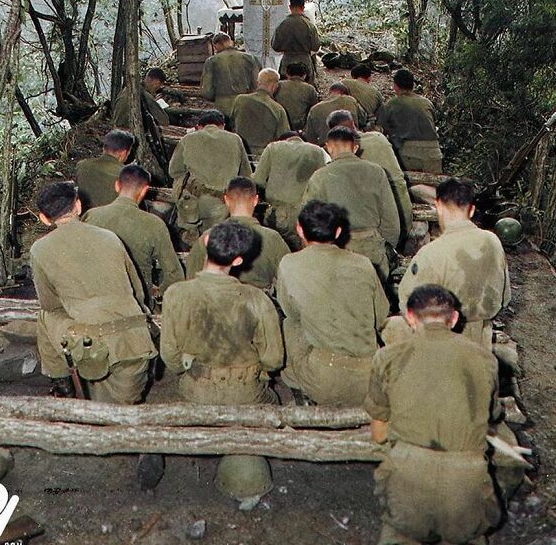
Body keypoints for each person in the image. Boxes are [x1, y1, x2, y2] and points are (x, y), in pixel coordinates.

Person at [366, 285, 503, 545]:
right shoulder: (485, 359)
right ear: (454, 318)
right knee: (467, 528)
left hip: (409, 475)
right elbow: (492, 414)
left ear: (409, 317)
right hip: (464, 479)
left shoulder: (387, 357)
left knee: (401, 528)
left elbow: (379, 433)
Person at [161, 219, 284, 503]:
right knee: (271, 404)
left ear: (205, 243)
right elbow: (274, 359)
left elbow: (170, 357)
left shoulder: (177, 294)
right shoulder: (257, 299)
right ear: (238, 260)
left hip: (198, 392)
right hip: (246, 393)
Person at [30, 181, 156, 404]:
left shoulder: (40, 249)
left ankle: (63, 385)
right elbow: (137, 291)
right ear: (78, 206)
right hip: (134, 343)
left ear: (44, 218)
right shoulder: (110, 237)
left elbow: (50, 304)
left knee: (45, 316)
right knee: (123, 408)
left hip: (89, 344)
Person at [276, 201, 389, 406]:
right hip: (368, 377)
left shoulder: (289, 263)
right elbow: (381, 314)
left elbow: (289, 310)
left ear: (299, 229)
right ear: (338, 232)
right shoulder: (363, 263)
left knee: (290, 324)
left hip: (322, 380)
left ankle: (296, 385)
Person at [383, 178, 511, 350]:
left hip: (441, 344)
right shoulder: (493, 241)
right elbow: (505, 298)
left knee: (390, 327)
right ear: (471, 210)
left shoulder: (431, 253)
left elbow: (407, 304)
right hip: (480, 341)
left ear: (438, 206)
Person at [303, 126, 400, 282]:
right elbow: (391, 219)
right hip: (371, 248)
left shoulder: (320, 176)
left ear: (328, 147)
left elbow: (309, 220)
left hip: (337, 250)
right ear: (355, 148)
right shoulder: (377, 172)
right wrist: (387, 245)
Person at [83, 164, 184, 304]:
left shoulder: (91, 215)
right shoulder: (154, 224)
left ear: (117, 185)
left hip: (94, 296)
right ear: (144, 190)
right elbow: (174, 274)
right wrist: (160, 292)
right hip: (136, 301)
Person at [186, 177, 289, 290]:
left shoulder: (209, 237)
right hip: (257, 299)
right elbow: (288, 279)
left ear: (226, 200)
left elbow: (191, 278)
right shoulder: (273, 238)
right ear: (256, 200)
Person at [327, 110, 413, 245]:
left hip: (382, 224)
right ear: (353, 124)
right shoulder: (378, 137)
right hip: (404, 209)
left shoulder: (346, 152)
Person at [168, 110, 252, 240]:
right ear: (222, 125)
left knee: (191, 240)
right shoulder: (235, 139)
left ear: (199, 126)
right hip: (223, 204)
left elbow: (173, 171)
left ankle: (190, 237)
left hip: (193, 204)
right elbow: (246, 174)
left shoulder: (188, 139)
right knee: (217, 240)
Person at [253, 131, 326, 249]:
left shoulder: (273, 148)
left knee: (276, 248)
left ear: (282, 140)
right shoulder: (317, 151)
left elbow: (258, 180)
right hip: (305, 213)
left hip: (277, 214)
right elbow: (321, 184)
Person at [378, 68, 442, 173]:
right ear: (413, 85)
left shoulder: (391, 104)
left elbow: (379, 129)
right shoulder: (427, 103)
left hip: (408, 154)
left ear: (396, 86)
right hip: (433, 151)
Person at [232, 68, 290, 158]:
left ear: (258, 82)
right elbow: (284, 138)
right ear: (274, 86)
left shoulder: (240, 100)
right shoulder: (278, 109)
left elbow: (232, 124)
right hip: (264, 155)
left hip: (240, 152)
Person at [200, 33, 259, 119]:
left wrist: (215, 98)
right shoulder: (249, 58)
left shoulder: (212, 61)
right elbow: (256, 84)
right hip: (244, 105)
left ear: (216, 45)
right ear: (230, 42)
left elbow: (206, 91)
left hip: (222, 106)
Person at [76, 129, 134, 211]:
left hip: (85, 215)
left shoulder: (82, 165)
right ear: (124, 153)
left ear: (104, 148)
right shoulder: (126, 175)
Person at [271, 0, 320, 84]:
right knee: (307, 89)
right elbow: (316, 46)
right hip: (305, 62)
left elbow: (275, 46)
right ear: (303, 8)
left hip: (287, 63)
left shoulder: (282, 25)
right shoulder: (310, 25)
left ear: (290, 7)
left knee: (285, 88)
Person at [274, 62, 319, 130]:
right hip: (299, 125)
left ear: (287, 74)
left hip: (279, 122)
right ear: (304, 75)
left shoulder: (279, 85)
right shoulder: (310, 89)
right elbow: (314, 108)